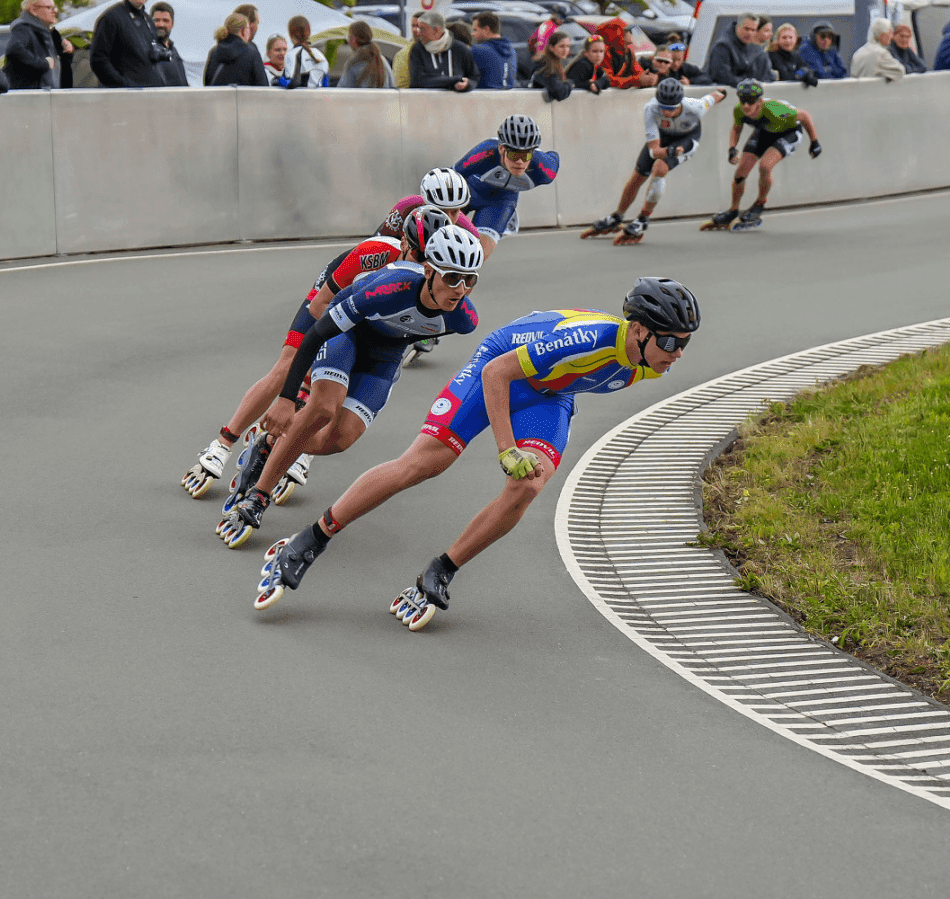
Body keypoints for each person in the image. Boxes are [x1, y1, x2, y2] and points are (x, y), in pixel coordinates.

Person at [251, 277, 701, 630]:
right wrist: (506, 448)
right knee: (427, 462)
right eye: (669, 342)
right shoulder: (590, 340)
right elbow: (497, 374)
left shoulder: (649, 364)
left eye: (684, 343)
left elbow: (569, 382)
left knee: (529, 485)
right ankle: (312, 538)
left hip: (548, 391)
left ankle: (441, 569)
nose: (677, 354)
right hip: (499, 365)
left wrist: (533, 441)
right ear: (639, 330)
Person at [181, 171, 478, 501]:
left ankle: (298, 446)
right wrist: (312, 374)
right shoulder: (382, 248)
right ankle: (222, 443)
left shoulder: (458, 242)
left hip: (372, 315)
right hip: (335, 294)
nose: (452, 217)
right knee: (289, 368)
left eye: (457, 211)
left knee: (337, 392)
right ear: (409, 244)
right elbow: (324, 305)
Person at [216, 226, 485, 549]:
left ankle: (270, 445)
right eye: (452, 277)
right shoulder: (390, 288)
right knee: (324, 407)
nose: (461, 288)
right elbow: (316, 334)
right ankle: (258, 497)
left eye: (470, 279)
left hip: (385, 355)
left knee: (340, 439)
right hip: (347, 333)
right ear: (429, 270)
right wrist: (287, 399)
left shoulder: (463, 319)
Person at [582, 79, 729, 245]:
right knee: (638, 176)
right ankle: (617, 216)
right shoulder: (651, 108)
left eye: (671, 109)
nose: (666, 112)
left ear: (679, 103)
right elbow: (654, 150)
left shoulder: (695, 107)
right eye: (663, 107)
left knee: (660, 168)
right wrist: (668, 151)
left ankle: (643, 218)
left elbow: (712, 98)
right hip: (663, 139)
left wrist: (722, 92)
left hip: (685, 139)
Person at [704, 78, 819, 231]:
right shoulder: (739, 110)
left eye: (750, 102)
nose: (745, 105)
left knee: (765, 166)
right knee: (740, 172)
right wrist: (732, 148)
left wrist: (814, 142)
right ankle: (733, 210)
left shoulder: (775, 110)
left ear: (759, 101)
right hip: (765, 133)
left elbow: (804, 116)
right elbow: (736, 129)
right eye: (743, 101)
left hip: (788, 132)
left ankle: (760, 203)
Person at [454, 115, 560, 258]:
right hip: (469, 192)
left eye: (526, 156)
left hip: (499, 203)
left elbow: (555, 156)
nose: (520, 162)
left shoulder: (545, 170)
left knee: (474, 259)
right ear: (501, 149)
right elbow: (451, 176)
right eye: (514, 155)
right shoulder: (486, 152)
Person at [90, 0, 168, 87]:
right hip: (125, 97)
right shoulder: (111, 17)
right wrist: (123, 86)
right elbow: (98, 59)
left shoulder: (148, 21)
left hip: (150, 94)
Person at [6, 0, 69, 90]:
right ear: (34, 11)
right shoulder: (23, 27)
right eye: (48, 7)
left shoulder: (47, 30)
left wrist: (67, 53)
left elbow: (56, 65)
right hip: (33, 97)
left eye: (54, 7)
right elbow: (14, 49)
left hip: (48, 95)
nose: (55, 11)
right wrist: (44, 64)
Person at [409, 12, 478, 91]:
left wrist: (467, 84)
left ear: (436, 30)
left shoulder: (460, 49)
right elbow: (418, 81)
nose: (419, 32)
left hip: (457, 102)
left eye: (422, 29)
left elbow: (474, 78)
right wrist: (455, 80)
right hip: (426, 101)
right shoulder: (418, 49)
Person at [707, 13, 772, 86]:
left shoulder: (753, 48)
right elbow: (721, 76)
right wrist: (747, 82)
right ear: (738, 27)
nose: (749, 33)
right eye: (746, 29)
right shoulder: (723, 46)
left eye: (753, 30)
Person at [204, 12, 267, 86]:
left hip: (218, 97)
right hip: (244, 97)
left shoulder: (214, 52)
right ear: (243, 30)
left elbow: (207, 82)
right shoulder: (252, 53)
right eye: (248, 28)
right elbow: (263, 86)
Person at [594, 19, 655, 88]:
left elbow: (638, 73)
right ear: (617, 34)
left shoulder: (628, 52)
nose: (631, 34)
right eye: (628, 31)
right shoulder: (604, 54)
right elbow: (609, 80)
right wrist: (634, 81)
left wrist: (648, 78)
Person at [470, 11, 517, 89]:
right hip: (508, 98)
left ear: (486, 29)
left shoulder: (478, 50)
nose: (472, 34)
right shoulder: (512, 51)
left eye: (475, 30)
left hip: (483, 98)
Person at [339, 20, 392, 88]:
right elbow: (392, 86)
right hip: (385, 98)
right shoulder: (382, 60)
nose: (348, 41)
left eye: (348, 37)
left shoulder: (354, 63)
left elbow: (342, 91)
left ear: (353, 39)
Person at [283, 15, 327, 88]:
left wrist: (278, 81)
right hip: (319, 97)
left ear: (291, 34)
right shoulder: (320, 55)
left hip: (300, 98)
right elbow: (326, 83)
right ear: (309, 33)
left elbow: (290, 83)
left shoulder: (291, 55)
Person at [149, 2, 187, 86]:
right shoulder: (145, 48)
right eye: (156, 20)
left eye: (165, 21)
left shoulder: (173, 51)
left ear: (172, 24)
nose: (161, 24)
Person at [530, 30, 573, 100]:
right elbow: (559, 93)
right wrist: (570, 83)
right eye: (561, 46)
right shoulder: (546, 66)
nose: (565, 50)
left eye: (567, 46)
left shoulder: (557, 64)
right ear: (551, 48)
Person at [393, 11, 421, 88]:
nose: (414, 30)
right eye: (413, 26)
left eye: (418, 26)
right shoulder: (403, 54)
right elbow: (402, 86)